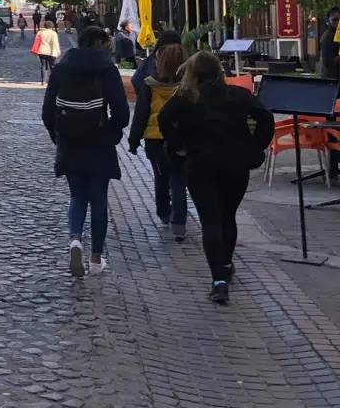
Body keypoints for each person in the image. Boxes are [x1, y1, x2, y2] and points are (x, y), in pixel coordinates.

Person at [159, 52, 274, 305]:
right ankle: (226, 262)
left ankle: (219, 280)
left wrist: (178, 146)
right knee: (227, 216)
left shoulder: (185, 97)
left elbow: (163, 118)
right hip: (235, 165)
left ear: (192, 73)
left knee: (210, 220)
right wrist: (255, 147)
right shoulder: (237, 95)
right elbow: (265, 117)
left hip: (201, 165)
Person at [43, 26, 128, 278]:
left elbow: (47, 111)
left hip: (69, 142)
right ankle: (96, 258)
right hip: (99, 142)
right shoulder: (107, 70)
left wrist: (58, 136)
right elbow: (122, 113)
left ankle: (75, 240)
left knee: (77, 196)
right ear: (98, 43)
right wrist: (111, 133)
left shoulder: (62, 68)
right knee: (99, 198)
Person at [128, 43, 188, 240]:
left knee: (161, 176)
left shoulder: (149, 84)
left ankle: (163, 213)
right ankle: (179, 223)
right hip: (180, 137)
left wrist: (134, 140)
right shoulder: (188, 87)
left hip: (154, 139)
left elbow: (141, 114)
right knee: (179, 180)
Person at [35, 18, 61, 84]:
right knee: (52, 66)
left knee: (43, 66)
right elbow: (55, 43)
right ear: (51, 26)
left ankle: (43, 81)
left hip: (42, 51)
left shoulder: (40, 33)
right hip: (51, 52)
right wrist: (58, 51)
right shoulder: (53, 33)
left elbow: (36, 42)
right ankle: (53, 80)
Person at [321, 7, 340, 80]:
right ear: (329, 20)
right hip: (332, 79)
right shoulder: (328, 37)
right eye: (335, 19)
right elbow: (327, 62)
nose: (338, 22)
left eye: (339, 19)